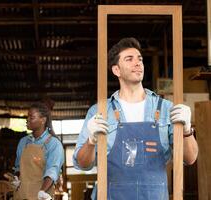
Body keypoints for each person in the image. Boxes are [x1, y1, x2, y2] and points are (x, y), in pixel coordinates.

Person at [73, 37, 198, 200]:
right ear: (116, 70)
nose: (138, 63)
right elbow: (83, 164)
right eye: (129, 59)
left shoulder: (166, 108)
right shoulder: (100, 112)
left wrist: (187, 130)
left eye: (140, 59)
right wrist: (91, 141)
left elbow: (190, 159)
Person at [12, 102, 64, 200]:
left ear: (43, 120)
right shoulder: (23, 142)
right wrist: (16, 177)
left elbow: (52, 171)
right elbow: (18, 167)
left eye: (31, 117)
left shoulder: (53, 144)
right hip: (21, 196)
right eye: (27, 117)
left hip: (41, 196)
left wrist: (42, 191)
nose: (27, 120)